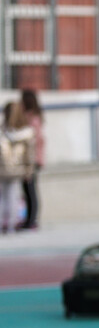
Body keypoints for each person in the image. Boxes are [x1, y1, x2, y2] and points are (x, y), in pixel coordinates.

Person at [0, 101, 35, 233]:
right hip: (17, 169)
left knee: (4, 196)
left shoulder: (3, 131)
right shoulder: (26, 132)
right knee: (13, 196)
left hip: (3, 169)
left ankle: (4, 224)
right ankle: (11, 225)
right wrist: (29, 170)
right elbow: (30, 154)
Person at [18, 89, 44, 229]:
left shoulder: (32, 119)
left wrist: (36, 160)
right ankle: (29, 219)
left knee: (30, 189)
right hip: (28, 159)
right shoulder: (29, 117)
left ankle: (32, 220)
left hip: (31, 160)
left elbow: (35, 141)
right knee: (27, 190)